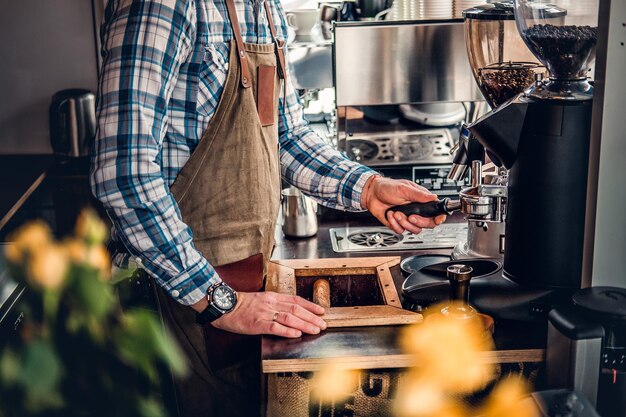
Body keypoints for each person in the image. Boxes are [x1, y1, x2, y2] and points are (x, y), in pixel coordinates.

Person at [90, 0, 445, 416]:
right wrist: (218, 300)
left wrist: (368, 187)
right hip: (175, 297)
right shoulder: (166, 5)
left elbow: (288, 136)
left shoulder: (264, 8)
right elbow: (123, 175)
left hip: (243, 284)